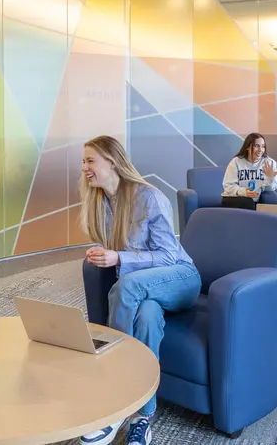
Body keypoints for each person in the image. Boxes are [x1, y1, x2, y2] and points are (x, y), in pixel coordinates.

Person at [78, 136, 202, 445]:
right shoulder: (101, 203)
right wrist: (103, 253)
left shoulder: (149, 197)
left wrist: (120, 258)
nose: (84, 168)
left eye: (90, 161)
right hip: (145, 294)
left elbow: (170, 257)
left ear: (113, 162)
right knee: (147, 318)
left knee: (128, 284)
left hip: (180, 279)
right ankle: (143, 415)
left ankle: (115, 394)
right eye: (83, 162)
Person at [221, 132, 277, 210]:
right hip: (236, 197)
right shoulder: (236, 161)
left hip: (256, 197)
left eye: (263, 146)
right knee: (247, 202)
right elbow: (228, 186)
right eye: (256, 146)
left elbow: (271, 189)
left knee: (272, 198)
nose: (260, 150)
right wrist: (244, 192)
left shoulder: (269, 163)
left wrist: (270, 179)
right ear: (247, 147)